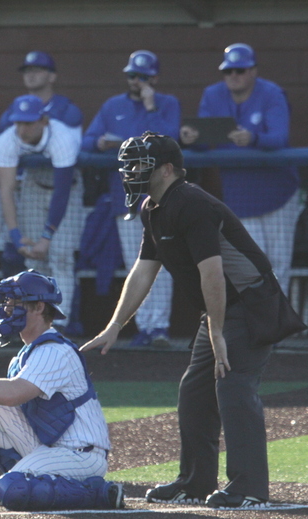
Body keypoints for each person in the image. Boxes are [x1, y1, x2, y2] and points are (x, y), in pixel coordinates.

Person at [82, 132, 279, 509]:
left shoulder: (190, 202)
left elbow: (213, 273)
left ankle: (249, 487)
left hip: (251, 305)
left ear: (167, 169)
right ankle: (194, 481)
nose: (132, 172)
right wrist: (115, 325)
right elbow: (143, 271)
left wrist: (218, 330)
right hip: (221, 311)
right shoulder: (152, 207)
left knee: (234, 390)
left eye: (141, 165)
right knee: (194, 394)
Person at [0, 269, 123, 511]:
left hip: (80, 454)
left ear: (38, 307)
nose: (6, 309)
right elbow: (2, 397)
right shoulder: (25, 355)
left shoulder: (54, 351)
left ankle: (100, 493)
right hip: (49, 446)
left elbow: (13, 393)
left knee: (13, 490)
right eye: (6, 302)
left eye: (14, 302)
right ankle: (24, 477)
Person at [180, 43, 299, 300]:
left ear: (253, 71)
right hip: (239, 197)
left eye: (240, 70)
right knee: (250, 267)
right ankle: (259, 326)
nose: (234, 75)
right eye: (229, 71)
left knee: (278, 264)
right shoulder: (213, 95)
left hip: (277, 193)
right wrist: (191, 138)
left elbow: (280, 137)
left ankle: (280, 325)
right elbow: (203, 141)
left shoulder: (272, 93)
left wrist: (254, 138)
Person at [82, 50, 179, 347]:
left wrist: (151, 107)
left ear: (155, 78)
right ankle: (143, 328)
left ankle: (159, 327)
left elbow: (170, 141)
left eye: (143, 77)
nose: (137, 81)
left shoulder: (167, 103)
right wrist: (101, 142)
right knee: (134, 263)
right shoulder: (113, 106)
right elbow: (87, 142)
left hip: (159, 196)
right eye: (132, 76)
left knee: (160, 263)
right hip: (123, 196)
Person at [0, 94, 82, 330]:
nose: (22, 128)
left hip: (67, 192)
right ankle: (41, 323)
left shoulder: (62, 136)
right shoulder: (7, 139)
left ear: (43, 120)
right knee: (34, 259)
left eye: (29, 122)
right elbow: (7, 190)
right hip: (33, 187)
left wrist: (47, 236)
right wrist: (15, 235)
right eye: (18, 122)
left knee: (61, 256)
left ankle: (60, 324)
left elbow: (61, 193)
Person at [0, 51, 83, 134]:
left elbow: (73, 144)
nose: (30, 75)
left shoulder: (66, 109)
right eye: (27, 71)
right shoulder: (14, 109)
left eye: (37, 70)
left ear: (52, 77)